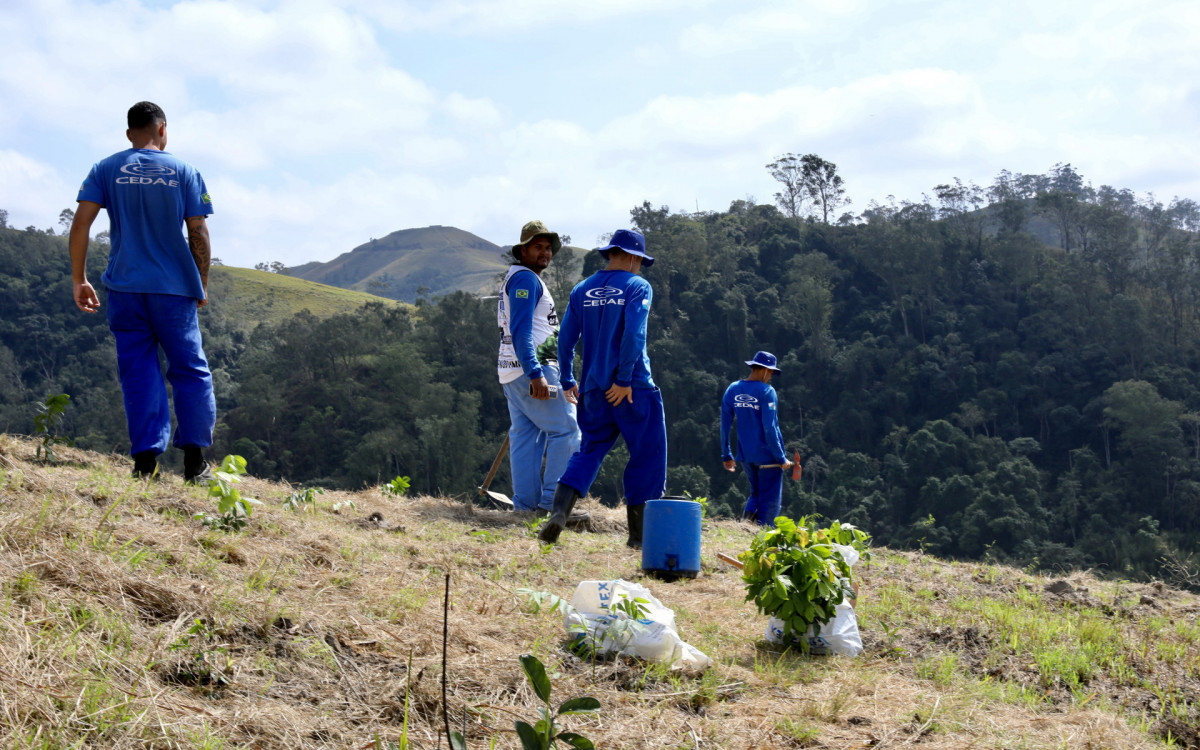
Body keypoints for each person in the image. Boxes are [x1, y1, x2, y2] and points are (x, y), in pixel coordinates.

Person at [68, 101, 217, 482]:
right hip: (173, 290)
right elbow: (197, 231)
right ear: (162, 129)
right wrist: (201, 282)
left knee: (138, 372)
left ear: (129, 132)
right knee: (190, 371)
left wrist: (79, 279)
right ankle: (194, 464)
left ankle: (145, 465)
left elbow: (81, 224)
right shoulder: (184, 171)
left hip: (125, 288)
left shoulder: (106, 168)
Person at [539, 229, 667, 547]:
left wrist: (568, 379)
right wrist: (624, 379)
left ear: (611, 253)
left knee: (589, 450)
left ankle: (558, 512)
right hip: (632, 387)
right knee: (647, 455)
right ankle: (638, 538)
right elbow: (634, 336)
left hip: (593, 389)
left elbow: (565, 339)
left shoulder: (582, 289)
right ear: (634, 257)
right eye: (640, 261)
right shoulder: (638, 286)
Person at [496, 220, 582, 513]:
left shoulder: (517, 277)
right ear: (523, 250)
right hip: (532, 369)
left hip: (511, 370)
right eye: (537, 247)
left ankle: (525, 508)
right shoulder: (525, 280)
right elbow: (521, 331)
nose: (545, 253)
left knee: (525, 436)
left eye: (548, 248)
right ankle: (551, 505)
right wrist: (536, 374)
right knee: (567, 430)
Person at [720, 351, 793, 526]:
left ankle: (745, 529)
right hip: (768, 457)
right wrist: (781, 458)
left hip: (746, 455)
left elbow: (724, 424)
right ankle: (764, 538)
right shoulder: (767, 392)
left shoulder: (733, 389)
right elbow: (770, 427)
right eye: (772, 372)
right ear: (765, 370)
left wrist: (726, 454)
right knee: (771, 502)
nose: (771, 377)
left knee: (756, 494)